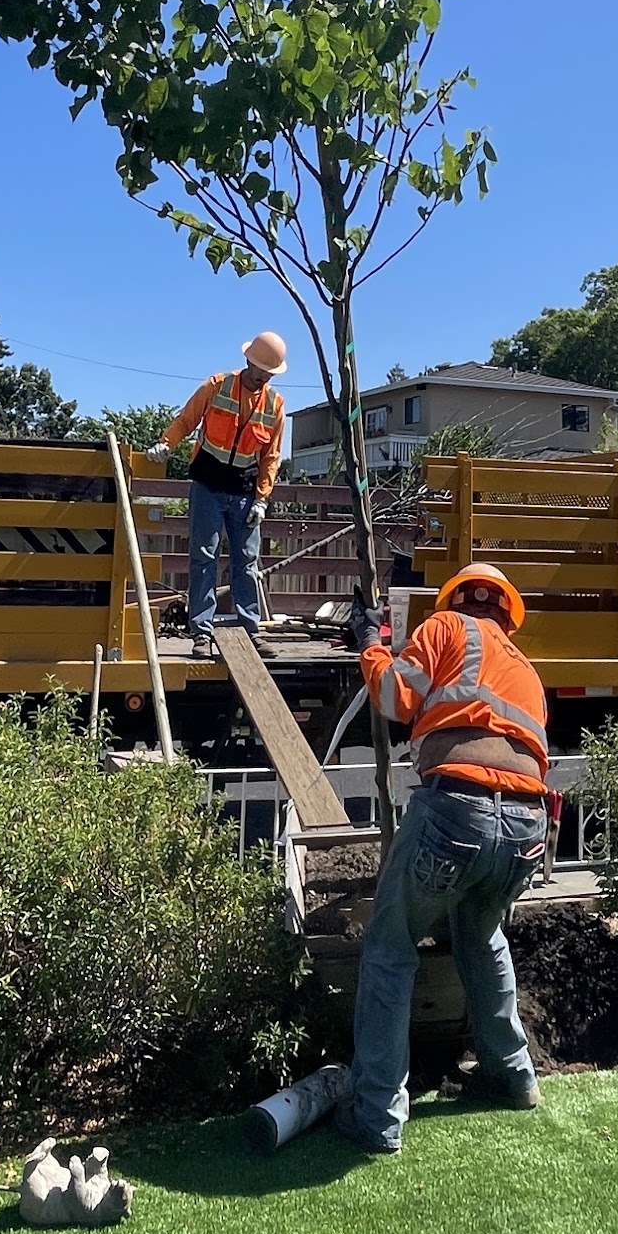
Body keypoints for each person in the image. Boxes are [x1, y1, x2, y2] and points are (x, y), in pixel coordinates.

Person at [337, 562, 549, 1155]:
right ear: (509, 614)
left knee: (391, 945)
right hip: (526, 829)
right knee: (482, 936)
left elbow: (391, 696)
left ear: (456, 600)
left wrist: (369, 643)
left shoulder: (445, 627)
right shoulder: (526, 671)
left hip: (457, 810)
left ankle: (377, 1114)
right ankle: (513, 1075)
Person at [150, 332, 288, 659]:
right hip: (208, 484)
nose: (263, 376)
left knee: (247, 563)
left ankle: (251, 631)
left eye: (269, 372)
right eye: (259, 369)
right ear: (248, 361)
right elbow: (186, 420)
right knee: (203, 558)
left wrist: (262, 499)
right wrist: (167, 444)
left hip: (244, 490)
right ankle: (201, 633)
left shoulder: (275, 406)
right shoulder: (217, 386)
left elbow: (271, 456)